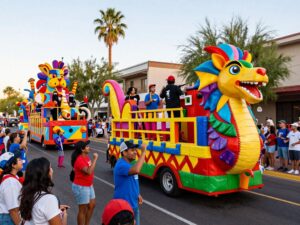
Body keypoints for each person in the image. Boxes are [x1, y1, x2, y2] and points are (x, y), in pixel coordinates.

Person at [19, 157, 68, 225]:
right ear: (45, 174)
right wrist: (64, 216)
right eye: (50, 168)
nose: (52, 171)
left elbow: (38, 209)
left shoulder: (27, 192)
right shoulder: (49, 199)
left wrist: (54, 208)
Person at [113, 141, 146, 225]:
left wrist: (137, 194)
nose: (135, 152)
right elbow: (137, 170)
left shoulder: (129, 165)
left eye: (135, 150)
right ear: (124, 152)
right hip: (124, 207)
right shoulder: (121, 165)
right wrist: (143, 152)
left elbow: (132, 180)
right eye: (132, 150)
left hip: (133, 204)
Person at [71, 141, 98, 225]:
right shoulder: (79, 159)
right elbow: (89, 171)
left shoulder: (86, 157)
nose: (88, 147)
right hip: (81, 187)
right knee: (83, 210)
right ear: (82, 149)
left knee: (92, 205)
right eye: (86, 146)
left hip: (88, 185)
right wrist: (95, 159)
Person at [0, 151, 23, 225]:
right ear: (13, 165)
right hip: (8, 219)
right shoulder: (10, 182)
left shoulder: (12, 178)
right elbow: (13, 210)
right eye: (19, 160)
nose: (22, 161)